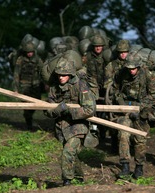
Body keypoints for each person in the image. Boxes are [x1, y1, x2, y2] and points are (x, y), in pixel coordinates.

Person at [44, 57, 96, 186]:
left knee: (67, 152)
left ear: (70, 74)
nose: (61, 77)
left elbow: (90, 109)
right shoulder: (54, 87)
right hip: (62, 127)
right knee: (72, 154)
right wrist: (55, 111)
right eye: (59, 75)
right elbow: (47, 108)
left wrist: (70, 111)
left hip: (78, 126)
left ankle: (67, 181)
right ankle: (79, 178)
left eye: (64, 75)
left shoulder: (81, 85)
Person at [112, 55, 155, 179]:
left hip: (143, 111)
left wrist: (141, 109)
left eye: (134, 68)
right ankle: (125, 165)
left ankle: (139, 166)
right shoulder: (121, 74)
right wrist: (121, 103)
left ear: (139, 67)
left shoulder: (149, 75)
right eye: (129, 68)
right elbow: (115, 91)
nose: (131, 71)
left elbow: (153, 97)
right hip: (125, 110)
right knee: (123, 134)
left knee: (140, 139)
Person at [13, 41, 44, 130]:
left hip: (35, 85)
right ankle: (29, 124)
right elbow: (16, 74)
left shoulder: (38, 59)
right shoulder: (20, 60)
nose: (30, 54)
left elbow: (43, 72)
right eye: (28, 52)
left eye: (31, 52)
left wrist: (46, 84)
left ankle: (29, 117)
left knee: (37, 102)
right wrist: (15, 88)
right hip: (24, 86)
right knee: (26, 106)